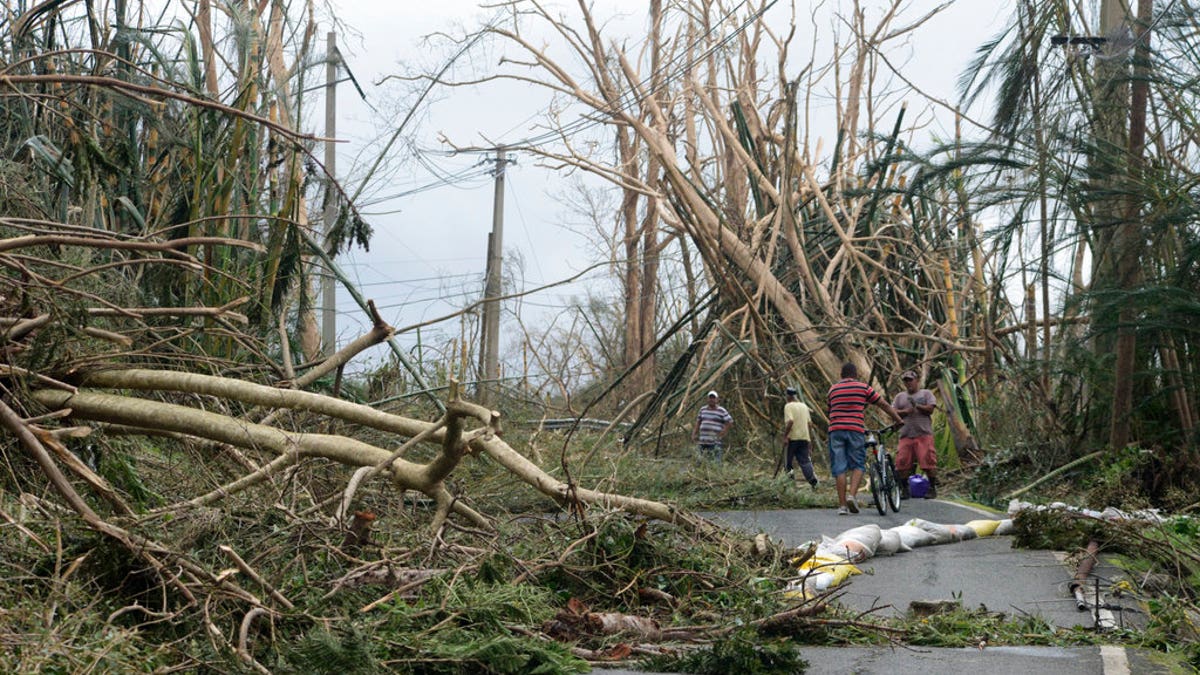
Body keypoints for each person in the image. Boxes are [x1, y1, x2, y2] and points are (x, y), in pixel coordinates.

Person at [827, 363, 903, 515]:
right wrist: (898, 420)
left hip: (835, 430)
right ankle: (852, 496)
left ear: (842, 375)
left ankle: (842, 506)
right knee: (858, 464)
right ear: (855, 375)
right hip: (855, 429)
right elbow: (883, 404)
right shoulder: (863, 388)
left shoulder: (833, 389)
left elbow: (830, 409)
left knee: (839, 468)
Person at [892, 369, 939, 499]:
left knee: (928, 462)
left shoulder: (926, 393)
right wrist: (905, 411)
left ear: (917, 380)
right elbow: (893, 411)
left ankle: (932, 488)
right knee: (902, 463)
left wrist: (917, 406)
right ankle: (904, 489)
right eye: (906, 381)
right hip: (906, 434)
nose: (908, 383)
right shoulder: (900, 396)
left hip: (923, 434)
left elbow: (930, 409)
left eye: (910, 380)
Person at [781, 387, 819, 488]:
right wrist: (809, 440)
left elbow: (790, 421)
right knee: (805, 461)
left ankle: (790, 484)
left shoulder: (788, 406)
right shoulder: (804, 406)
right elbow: (810, 424)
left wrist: (785, 436)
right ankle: (812, 480)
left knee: (788, 463)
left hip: (792, 439)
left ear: (788, 396)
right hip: (804, 438)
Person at [692, 390, 732, 462]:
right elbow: (698, 422)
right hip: (702, 441)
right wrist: (694, 433)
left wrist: (723, 432)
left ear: (717, 399)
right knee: (700, 462)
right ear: (707, 399)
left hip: (715, 442)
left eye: (713, 398)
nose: (711, 400)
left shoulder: (721, 410)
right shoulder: (702, 409)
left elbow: (729, 422)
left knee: (715, 463)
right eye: (710, 398)